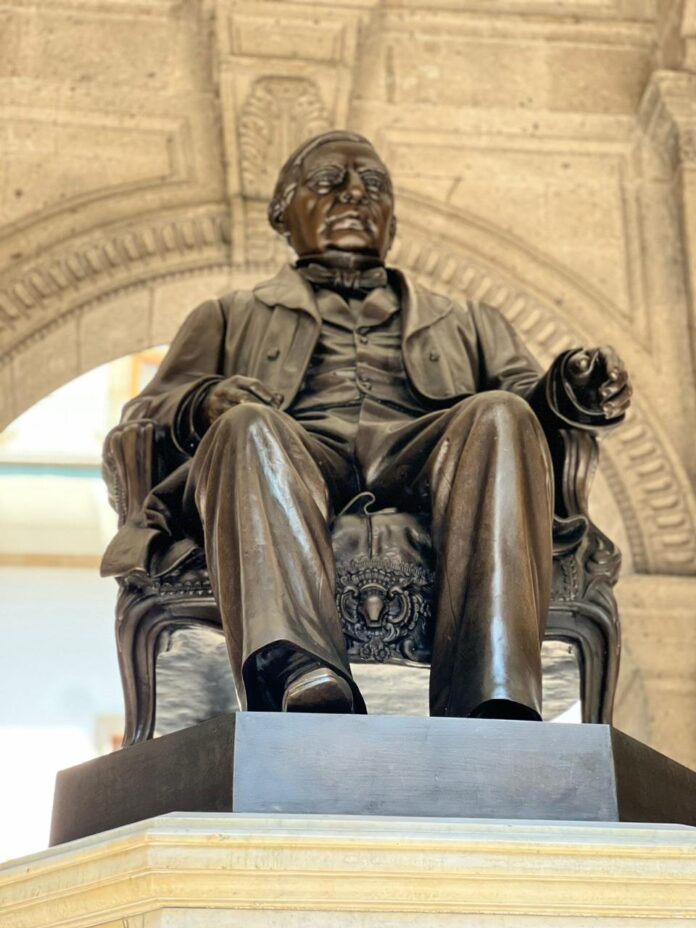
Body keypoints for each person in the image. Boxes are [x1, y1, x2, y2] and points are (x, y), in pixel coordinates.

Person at [102, 130, 631, 720]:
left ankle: (494, 698)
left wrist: (570, 390)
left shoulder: (470, 320)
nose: (355, 195)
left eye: (373, 186)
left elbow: (527, 405)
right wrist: (203, 400)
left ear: (393, 222)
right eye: (329, 183)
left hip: (432, 454)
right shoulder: (228, 315)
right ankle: (299, 671)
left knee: (501, 413)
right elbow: (143, 415)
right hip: (295, 456)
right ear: (283, 213)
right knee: (247, 425)